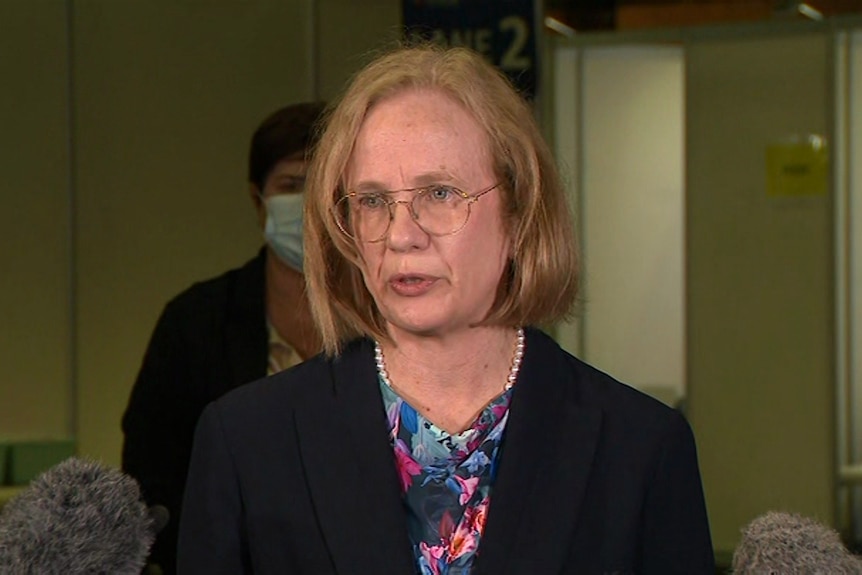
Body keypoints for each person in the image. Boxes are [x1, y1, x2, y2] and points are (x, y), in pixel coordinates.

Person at [177, 45, 715, 574]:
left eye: (439, 193)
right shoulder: (246, 442)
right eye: (372, 201)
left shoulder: (640, 448)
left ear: (519, 211)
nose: (401, 235)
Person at [121, 101, 326, 575]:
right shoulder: (195, 323)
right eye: (292, 186)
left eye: (323, 186)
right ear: (258, 201)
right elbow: (150, 479)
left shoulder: (389, 320)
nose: (308, 204)